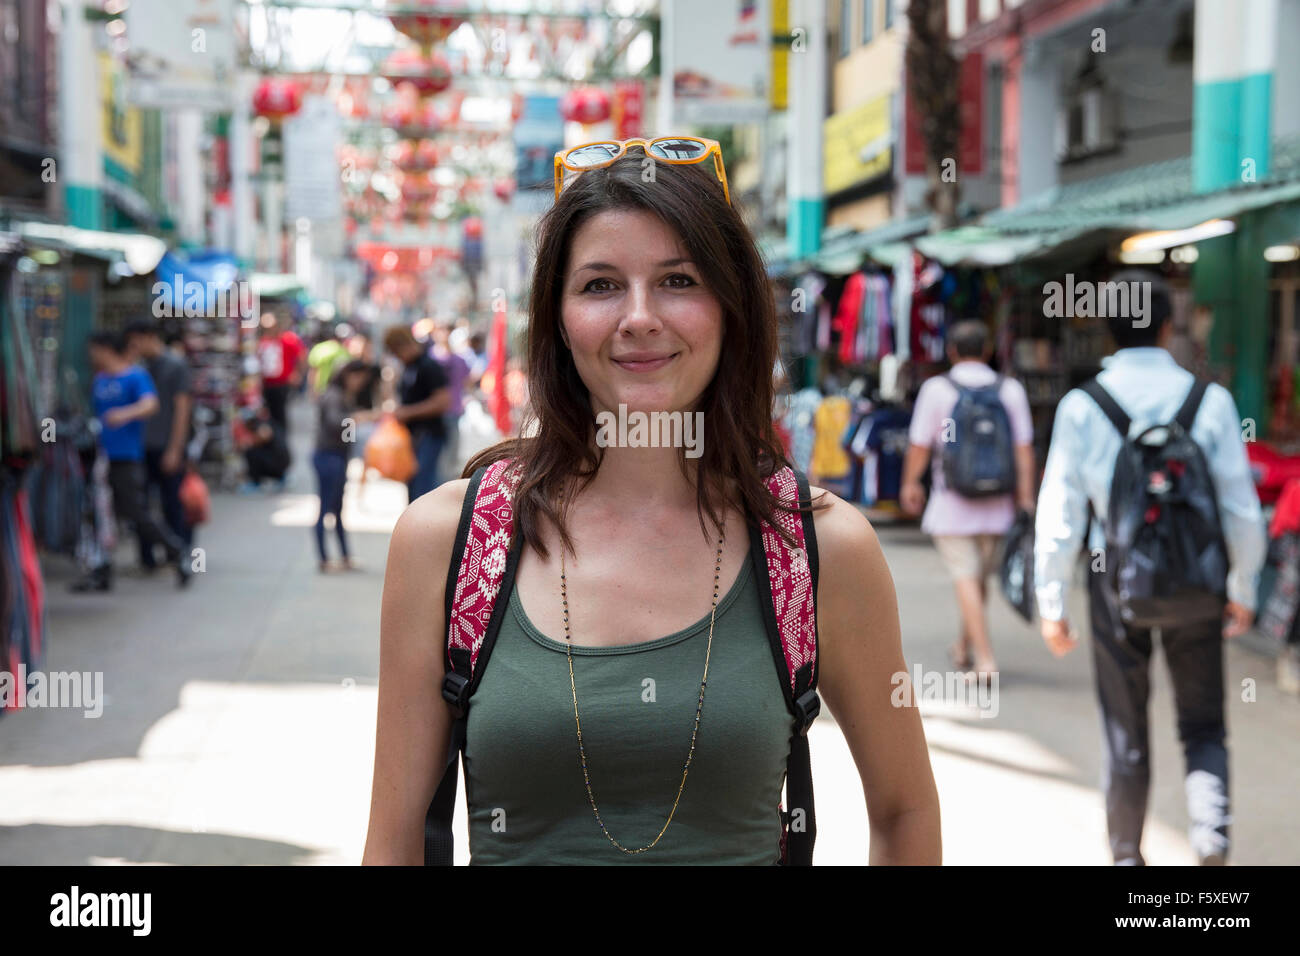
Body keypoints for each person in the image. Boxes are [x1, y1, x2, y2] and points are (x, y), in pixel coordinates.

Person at [363, 139, 940, 865]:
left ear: (731, 308)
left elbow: (905, 809)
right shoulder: (448, 542)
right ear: (557, 316)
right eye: (601, 285)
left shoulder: (814, 546)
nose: (639, 317)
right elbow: (392, 845)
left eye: (678, 280)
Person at [1033, 270, 1267, 866]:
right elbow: (1240, 506)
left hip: (1115, 582)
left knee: (1125, 730)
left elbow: (1060, 511)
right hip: (1197, 580)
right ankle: (1211, 836)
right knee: (1204, 722)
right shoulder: (1209, 400)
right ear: (1168, 327)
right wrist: (1242, 587)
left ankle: (1127, 861)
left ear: (1108, 329)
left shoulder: (1083, 405)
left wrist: (1053, 603)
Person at [900, 320, 1036, 677]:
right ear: (988, 351)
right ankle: (964, 647)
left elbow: (920, 444)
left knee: (966, 578)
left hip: (951, 502)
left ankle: (985, 660)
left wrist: (911, 483)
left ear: (952, 352)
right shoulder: (1010, 389)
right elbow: (1023, 449)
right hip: (998, 505)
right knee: (976, 580)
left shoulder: (936, 388)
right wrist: (1026, 498)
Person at [84, 331, 191, 589]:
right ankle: (101, 569)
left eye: (94, 350)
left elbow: (150, 404)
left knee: (136, 512)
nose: (91, 356)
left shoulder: (135, 375)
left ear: (105, 349)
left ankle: (176, 551)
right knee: (97, 514)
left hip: (127, 457)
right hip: (100, 457)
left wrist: (124, 414)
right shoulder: (99, 379)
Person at [124, 319, 195, 575]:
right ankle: (148, 558)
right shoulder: (139, 368)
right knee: (141, 504)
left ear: (148, 336)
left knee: (172, 504)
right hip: (142, 448)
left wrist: (175, 448)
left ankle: (179, 555)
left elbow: (182, 409)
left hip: (166, 446)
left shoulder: (175, 365)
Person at [313, 360, 377, 572]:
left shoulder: (341, 395)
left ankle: (343, 556)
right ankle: (324, 558)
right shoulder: (334, 395)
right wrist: (355, 418)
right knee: (326, 508)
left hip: (337, 455)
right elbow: (335, 423)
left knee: (337, 509)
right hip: (329, 456)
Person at [382, 324, 450, 502]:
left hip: (428, 434)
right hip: (414, 435)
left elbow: (442, 401)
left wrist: (409, 412)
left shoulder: (429, 365)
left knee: (424, 487)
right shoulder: (409, 367)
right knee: (413, 485)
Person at [430, 319, 471, 480]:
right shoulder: (430, 359)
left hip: (452, 412)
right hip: (434, 416)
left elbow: (466, 381)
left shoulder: (459, 360)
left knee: (450, 455)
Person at [256, 313, 305, 429]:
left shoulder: (288, 339)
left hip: (281, 384)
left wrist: (297, 373)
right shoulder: (262, 341)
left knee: (280, 413)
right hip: (266, 384)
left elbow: (302, 356)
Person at [236, 406, 291, 491]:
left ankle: (255, 483)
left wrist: (249, 442)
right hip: (280, 461)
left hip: (278, 462)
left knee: (250, 452)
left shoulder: (262, 424)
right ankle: (279, 477)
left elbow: (264, 434)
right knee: (254, 451)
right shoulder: (267, 422)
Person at [308, 322, 353, 397]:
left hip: (324, 389)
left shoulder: (319, 348)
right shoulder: (345, 352)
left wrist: (312, 390)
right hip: (335, 391)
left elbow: (313, 372)